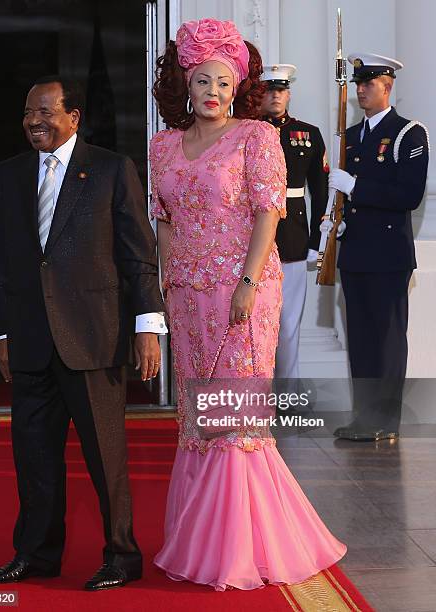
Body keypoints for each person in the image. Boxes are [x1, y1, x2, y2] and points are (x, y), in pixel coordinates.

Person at [150, 19, 346, 591]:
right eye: (202, 80)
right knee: (199, 419)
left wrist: (249, 283)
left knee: (234, 419)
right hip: (186, 297)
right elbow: (162, 217)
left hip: (241, 294)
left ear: (238, 88)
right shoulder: (163, 145)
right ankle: (197, 537)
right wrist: (167, 276)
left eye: (223, 82)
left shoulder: (256, 138)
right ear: (184, 85)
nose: (212, 91)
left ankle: (239, 548)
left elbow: (269, 213)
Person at [0, 75, 166, 590]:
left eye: (44, 112)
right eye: (27, 113)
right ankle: (36, 555)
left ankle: (122, 558)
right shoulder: (8, 175)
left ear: (73, 117)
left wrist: (148, 326)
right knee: (34, 458)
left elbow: (137, 254)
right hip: (30, 342)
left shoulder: (110, 169)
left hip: (93, 338)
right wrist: (3, 335)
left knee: (106, 460)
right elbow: (1, 264)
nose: (33, 122)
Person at [329, 54, 429, 441]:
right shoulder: (350, 137)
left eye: (368, 84)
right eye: (357, 84)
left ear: (387, 87)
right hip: (354, 251)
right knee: (362, 340)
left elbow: (409, 195)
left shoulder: (408, 134)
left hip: (388, 254)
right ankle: (364, 417)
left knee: (387, 339)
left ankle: (386, 421)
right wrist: (332, 220)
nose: (360, 90)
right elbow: (344, 200)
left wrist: (356, 187)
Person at [260, 65, 329, 380]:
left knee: (289, 323)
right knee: (254, 322)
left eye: (281, 89)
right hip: (251, 239)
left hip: (293, 237)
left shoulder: (308, 134)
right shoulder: (242, 131)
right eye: (269, 89)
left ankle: (288, 389)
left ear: (289, 93)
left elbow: (321, 190)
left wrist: (316, 240)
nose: (275, 95)